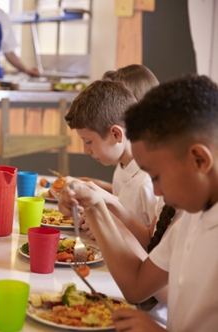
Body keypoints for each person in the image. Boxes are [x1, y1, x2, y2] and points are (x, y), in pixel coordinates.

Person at [59, 74, 218, 331]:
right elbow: (136, 284)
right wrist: (95, 206)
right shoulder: (189, 218)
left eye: (157, 176)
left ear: (199, 160)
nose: (155, 189)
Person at [64, 80, 160, 248]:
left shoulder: (148, 182)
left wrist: (105, 225)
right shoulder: (123, 163)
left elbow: (152, 246)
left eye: (88, 141)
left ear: (116, 134)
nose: (86, 150)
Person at [79, 64, 160, 193]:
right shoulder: (125, 159)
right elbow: (125, 195)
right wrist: (95, 186)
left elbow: (138, 201)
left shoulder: (148, 177)